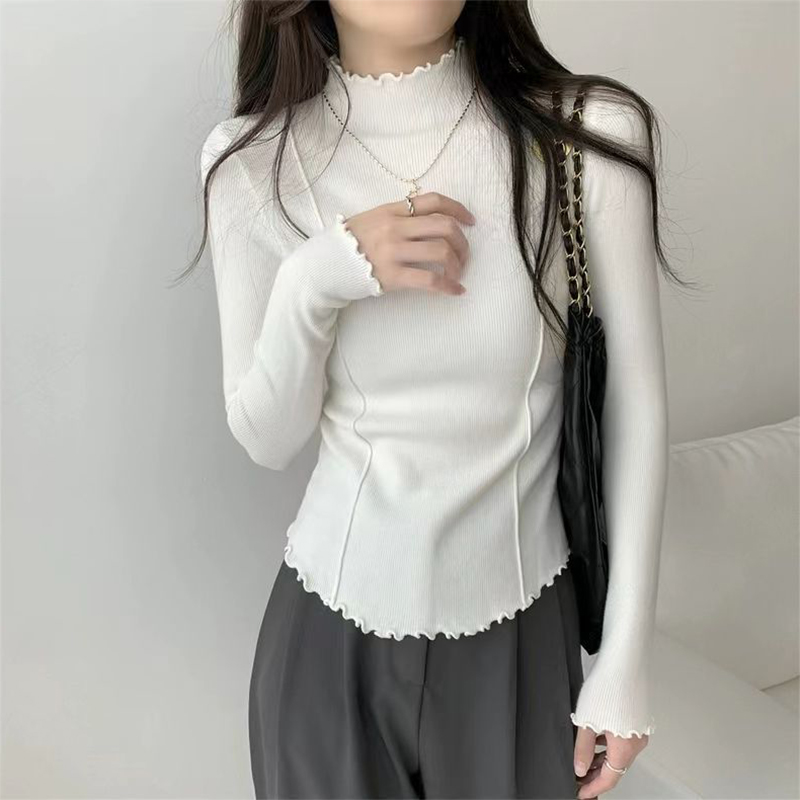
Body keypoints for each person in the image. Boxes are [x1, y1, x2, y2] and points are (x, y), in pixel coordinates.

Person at [189, 1, 680, 797]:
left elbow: (634, 406)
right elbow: (267, 437)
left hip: (522, 640)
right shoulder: (254, 161)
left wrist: (627, 657)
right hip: (326, 650)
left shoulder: (586, 135)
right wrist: (319, 277)